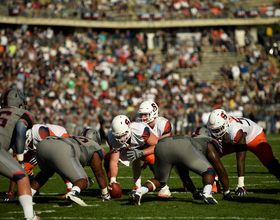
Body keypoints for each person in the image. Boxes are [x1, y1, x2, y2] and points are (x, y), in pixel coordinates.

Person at [129, 134, 224, 205]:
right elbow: (220, 169)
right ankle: (207, 194)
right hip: (182, 145)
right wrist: (227, 192)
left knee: (160, 180)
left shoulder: (196, 138)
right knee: (209, 171)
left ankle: (138, 192)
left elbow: (184, 176)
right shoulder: (208, 143)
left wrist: (195, 193)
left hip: (161, 145)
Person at [207, 109, 280, 196]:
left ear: (225, 124)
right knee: (211, 155)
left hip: (253, 136)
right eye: (214, 130)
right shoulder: (219, 126)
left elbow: (241, 158)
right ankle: (214, 183)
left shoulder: (235, 130)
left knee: (269, 161)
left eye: (218, 129)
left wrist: (240, 184)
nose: (215, 133)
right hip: (229, 139)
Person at [30, 128, 111, 206]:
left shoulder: (75, 137)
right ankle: (73, 193)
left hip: (43, 144)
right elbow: (99, 172)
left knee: (45, 173)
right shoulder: (95, 147)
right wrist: (105, 194)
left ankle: (27, 195)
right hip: (62, 149)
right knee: (83, 180)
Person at [4, 123, 72, 201]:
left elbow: (52, 144)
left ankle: (70, 188)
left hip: (59, 137)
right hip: (40, 146)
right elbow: (16, 162)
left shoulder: (40, 131)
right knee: (17, 165)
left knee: (57, 161)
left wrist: (39, 155)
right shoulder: (19, 140)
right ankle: (11, 193)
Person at [0, 89, 39, 220]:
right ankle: (30, 217)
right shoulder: (22, 113)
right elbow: (20, 128)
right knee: (22, 177)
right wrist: (21, 160)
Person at [106, 115, 158, 191]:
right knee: (107, 158)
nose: (121, 138)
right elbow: (114, 161)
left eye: (123, 134)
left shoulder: (140, 130)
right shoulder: (112, 137)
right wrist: (113, 180)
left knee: (150, 158)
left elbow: (157, 145)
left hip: (145, 146)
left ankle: (163, 184)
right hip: (131, 147)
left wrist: (142, 153)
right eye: (118, 136)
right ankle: (111, 187)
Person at [137, 101, 172, 197]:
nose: (143, 117)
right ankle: (138, 185)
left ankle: (164, 185)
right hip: (151, 151)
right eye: (141, 114)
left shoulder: (163, 124)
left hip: (166, 151)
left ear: (153, 113)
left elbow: (162, 147)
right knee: (136, 153)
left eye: (145, 114)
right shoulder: (140, 125)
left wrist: (143, 153)